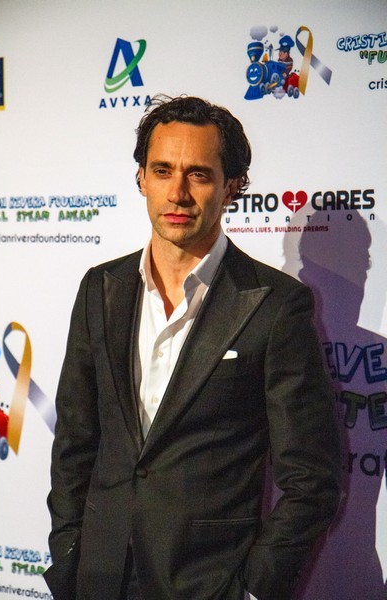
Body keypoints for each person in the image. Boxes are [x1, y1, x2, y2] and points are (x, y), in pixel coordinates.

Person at [44, 95, 341, 600]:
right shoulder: (101, 287)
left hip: (208, 582)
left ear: (232, 186)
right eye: (162, 171)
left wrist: (253, 590)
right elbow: (75, 439)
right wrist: (68, 551)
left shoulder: (274, 305)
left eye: (198, 175)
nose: (177, 193)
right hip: (97, 576)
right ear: (141, 178)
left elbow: (311, 478)